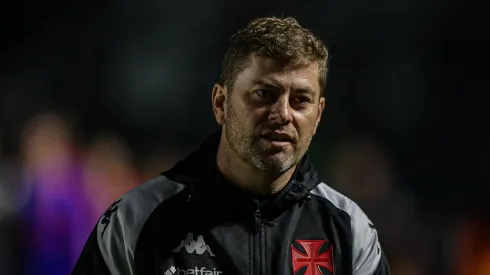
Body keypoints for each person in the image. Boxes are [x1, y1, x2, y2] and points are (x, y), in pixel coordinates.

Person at [72, 17, 390, 275]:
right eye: (264, 94)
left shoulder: (350, 233)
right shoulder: (137, 220)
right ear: (221, 103)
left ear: (318, 115)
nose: (283, 114)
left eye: (300, 100)